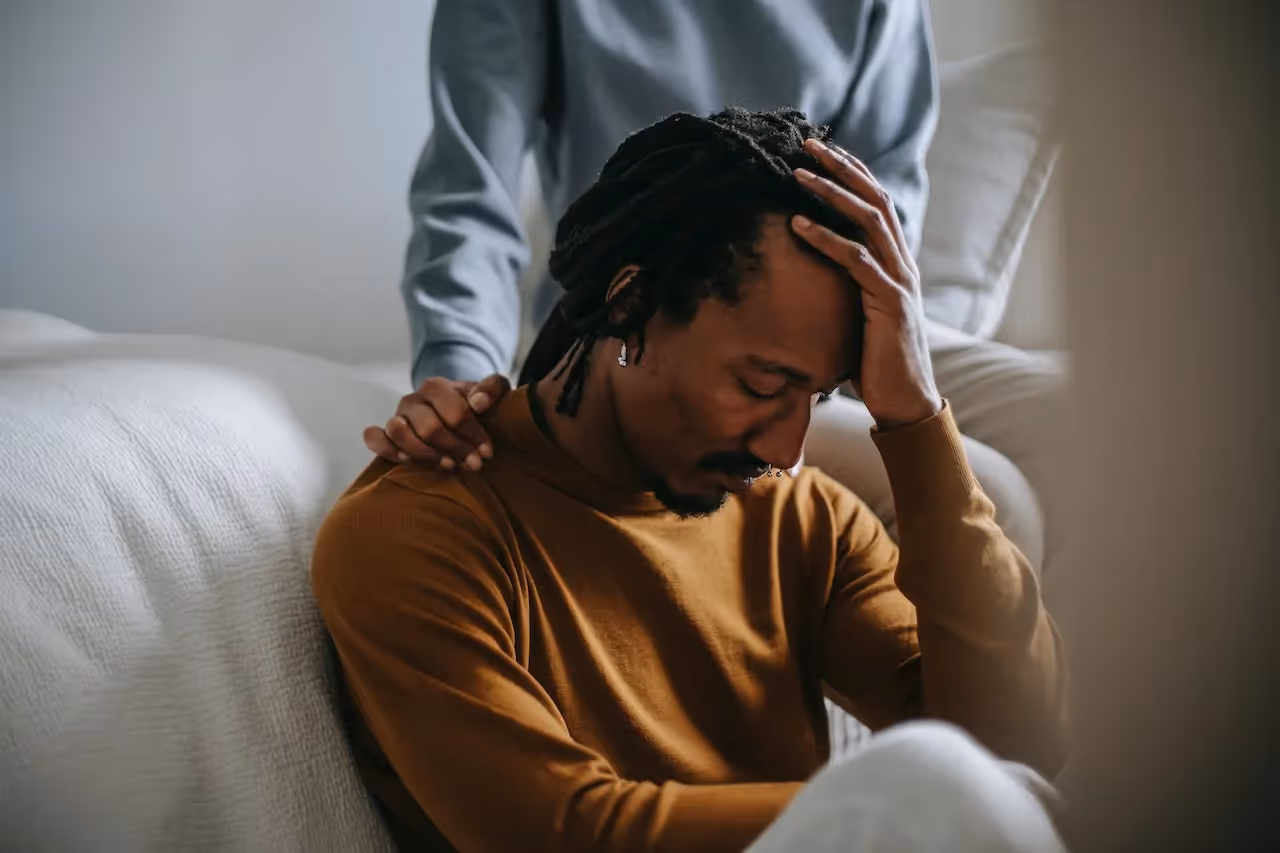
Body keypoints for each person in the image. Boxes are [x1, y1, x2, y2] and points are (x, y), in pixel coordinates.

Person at [313, 109, 1068, 853]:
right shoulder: (420, 531)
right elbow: (563, 834)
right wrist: (899, 808)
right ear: (629, 302)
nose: (788, 445)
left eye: (820, 396)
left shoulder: (806, 519)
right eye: (762, 380)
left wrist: (915, 415)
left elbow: (1015, 744)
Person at [377, 0, 1060, 578]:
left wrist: (884, 374)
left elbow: (888, 188)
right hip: (660, 318)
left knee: (1066, 422)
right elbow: (470, 190)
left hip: (831, 321)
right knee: (999, 495)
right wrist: (460, 373)